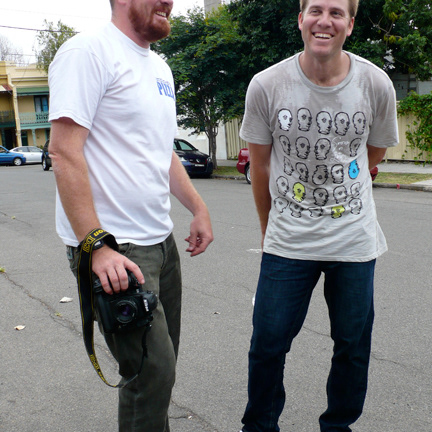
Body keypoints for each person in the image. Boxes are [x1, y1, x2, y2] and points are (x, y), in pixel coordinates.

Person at [48, 0, 213, 431]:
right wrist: (96, 246)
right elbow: (63, 152)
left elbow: (162, 152)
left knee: (159, 371)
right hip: (116, 249)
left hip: (161, 242)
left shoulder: (160, 68)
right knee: (150, 373)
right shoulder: (87, 52)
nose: (168, 1)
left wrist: (197, 207)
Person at [238, 0, 398, 431]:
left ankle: (338, 426)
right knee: (267, 344)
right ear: (300, 19)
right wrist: (269, 230)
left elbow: (373, 154)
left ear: (350, 23)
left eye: (336, 13)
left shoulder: (375, 84)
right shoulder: (267, 85)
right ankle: (259, 426)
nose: (324, 21)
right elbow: (260, 168)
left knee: (352, 347)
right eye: (315, 10)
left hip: (353, 238)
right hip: (288, 238)